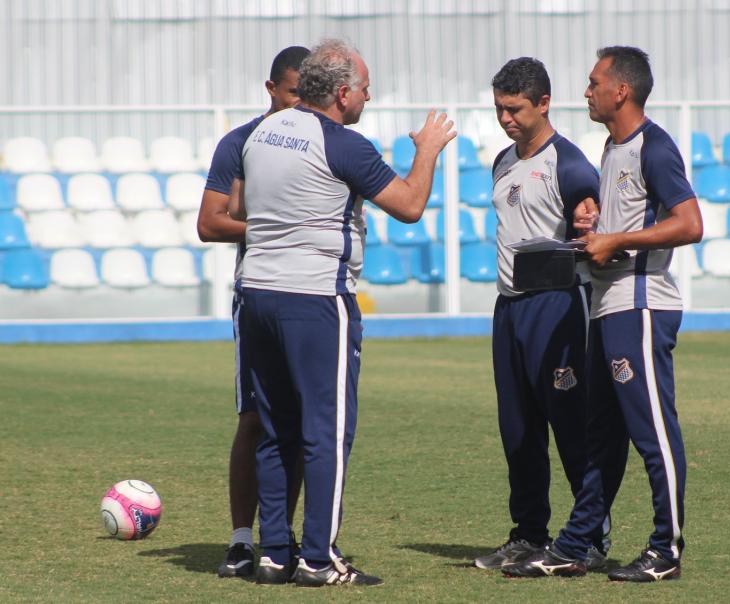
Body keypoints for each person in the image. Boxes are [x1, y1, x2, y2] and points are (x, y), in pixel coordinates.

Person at [231, 38, 456, 587]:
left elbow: (238, 210)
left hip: (255, 292)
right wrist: (426, 151)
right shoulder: (342, 143)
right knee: (326, 431)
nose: (368, 96)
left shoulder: (262, 132)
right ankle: (317, 558)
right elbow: (408, 207)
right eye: (363, 87)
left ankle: (274, 554)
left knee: (275, 429)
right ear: (340, 92)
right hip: (314, 299)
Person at [503, 46, 702, 581]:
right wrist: (594, 234)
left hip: (639, 304)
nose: (586, 91)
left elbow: (689, 224)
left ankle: (667, 550)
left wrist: (619, 238)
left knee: (652, 433)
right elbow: (621, 229)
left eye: (593, 83)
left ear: (622, 91)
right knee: (600, 438)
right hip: (607, 305)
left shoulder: (653, 147)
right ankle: (576, 542)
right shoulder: (613, 148)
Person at [471, 57, 609, 572]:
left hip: (556, 309)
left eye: (515, 109)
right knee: (519, 430)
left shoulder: (569, 163)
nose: (506, 119)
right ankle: (529, 534)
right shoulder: (502, 161)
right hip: (508, 309)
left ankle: (589, 537)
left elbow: (592, 230)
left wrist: (587, 214)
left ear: (544, 103)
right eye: (500, 109)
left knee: (572, 427)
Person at [196, 45, 310, 579]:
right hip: (257, 296)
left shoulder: (323, 144)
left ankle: (278, 542)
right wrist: (273, 230)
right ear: (271, 90)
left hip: (311, 301)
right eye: (292, 92)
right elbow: (210, 223)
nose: (299, 104)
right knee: (255, 419)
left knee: (306, 421)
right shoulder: (239, 143)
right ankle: (242, 540)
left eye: (308, 94)